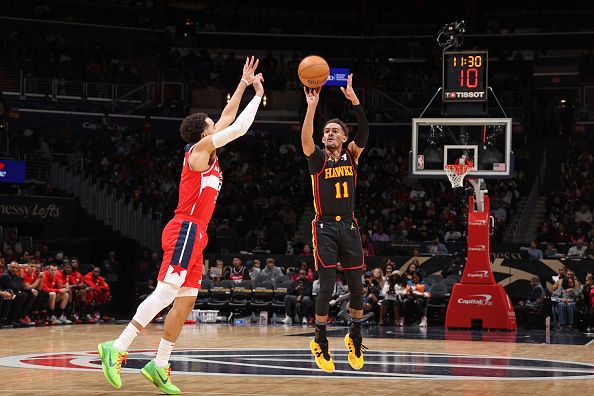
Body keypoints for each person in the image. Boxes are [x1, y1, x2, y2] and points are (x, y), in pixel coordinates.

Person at [98, 56, 264, 395]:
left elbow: (230, 116)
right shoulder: (198, 152)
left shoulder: (209, 150)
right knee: (166, 292)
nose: (217, 123)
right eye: (212, 123)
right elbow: (239, 126)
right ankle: (117, 346)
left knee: (186, 302)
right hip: (184, 228)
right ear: (205, 132)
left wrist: (244, 84)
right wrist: (259, 96)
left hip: (197, 235)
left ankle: (159, 364)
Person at [301, 73, 369, 372]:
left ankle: (354, 336)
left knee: (357, 287)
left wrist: (355, 102)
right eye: (325, 131)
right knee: (327, 286)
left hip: (349, 226)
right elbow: (305, 139)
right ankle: (320, 340)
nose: (328, 134)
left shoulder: (353, 155)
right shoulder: (318, 159)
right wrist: (312, 108)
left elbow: (365, 132)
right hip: (325, 226)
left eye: (334, 131)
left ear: (343, 137)